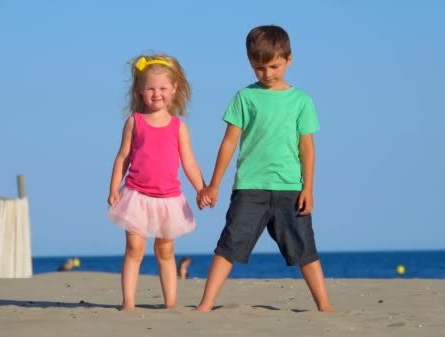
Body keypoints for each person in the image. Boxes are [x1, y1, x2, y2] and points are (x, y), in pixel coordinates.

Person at [196, 25, 333, 312]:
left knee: (304, 249)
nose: (267, 74)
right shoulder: (244, 98)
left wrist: (308, 187)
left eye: (274, 66)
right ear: (250, 63)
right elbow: (229, 142)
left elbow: (307, 148)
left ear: (289, 59)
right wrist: (214, 183)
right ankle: (205, 305)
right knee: (229, 245)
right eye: (259, 68)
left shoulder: (301, 101)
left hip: (289, 189)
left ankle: (324, 306)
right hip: (250, 187)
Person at [107, 53, 205, 311]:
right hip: (136, 195)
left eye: (162, 88)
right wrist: (114, 188)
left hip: (168, 199)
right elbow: (122, 158)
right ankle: (128, 302)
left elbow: (190, 164)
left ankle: (170, 303)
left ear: (174, 89)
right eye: (150, 88)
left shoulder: (178, 127)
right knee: (134, 248)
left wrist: (201, 189)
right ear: (139, 90)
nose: (156, 93)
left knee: (165, 250)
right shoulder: (135, 122)